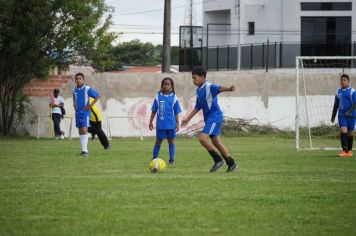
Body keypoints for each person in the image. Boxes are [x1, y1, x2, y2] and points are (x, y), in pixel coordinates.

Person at [181, 66, 238, 172]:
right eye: (192, 78)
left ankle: (218, 160)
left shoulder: (209, 86)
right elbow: (198, 106)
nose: (193, 80)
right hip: (209, 118)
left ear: (202, 77)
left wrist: (229, 89)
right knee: (216, 142)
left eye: (195, 78)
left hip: (214, 117)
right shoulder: (199, 90)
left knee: (202, 138)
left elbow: (219, 88)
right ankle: (232, 163)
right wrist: (187, 118)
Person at [149, 77, 182, 164]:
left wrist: (178, 124)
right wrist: (150, 121)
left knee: (171, 141)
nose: (166, 86)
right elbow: (154, 110)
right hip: (161, 125)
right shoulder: (158, 96)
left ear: (171, 86)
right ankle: (154, 159)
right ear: (162, 85)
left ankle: (171, 160)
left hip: (171, 125)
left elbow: (176, 112)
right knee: (158, 141)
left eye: (168, 84)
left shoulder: (174, 97)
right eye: (164, 84)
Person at [73, 73, 100, 156]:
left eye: (80, 78)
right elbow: (74, 98)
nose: (78, 80)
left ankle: (85, 151)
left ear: (83, 80)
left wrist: (90, 106)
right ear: (75, 80)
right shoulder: (74, 89)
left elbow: (97, 96)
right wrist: (74, 106)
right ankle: (83, 150)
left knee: (84, 130)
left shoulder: (87, 89)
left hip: (85, 113)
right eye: (77, 79)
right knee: (80, 130)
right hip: (78, 113)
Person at [331, 74, 356, 157]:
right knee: (343, 130)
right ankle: (344, 150)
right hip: (342, 115)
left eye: (344, 80)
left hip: (351, 115)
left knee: (350, 133)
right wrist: (333, 116)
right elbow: (336, 104)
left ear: (348, 81)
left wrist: (349, 111)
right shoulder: (338, 91)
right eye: (341, 80)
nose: (342, 82)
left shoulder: (352, 91)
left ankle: (349, 151)